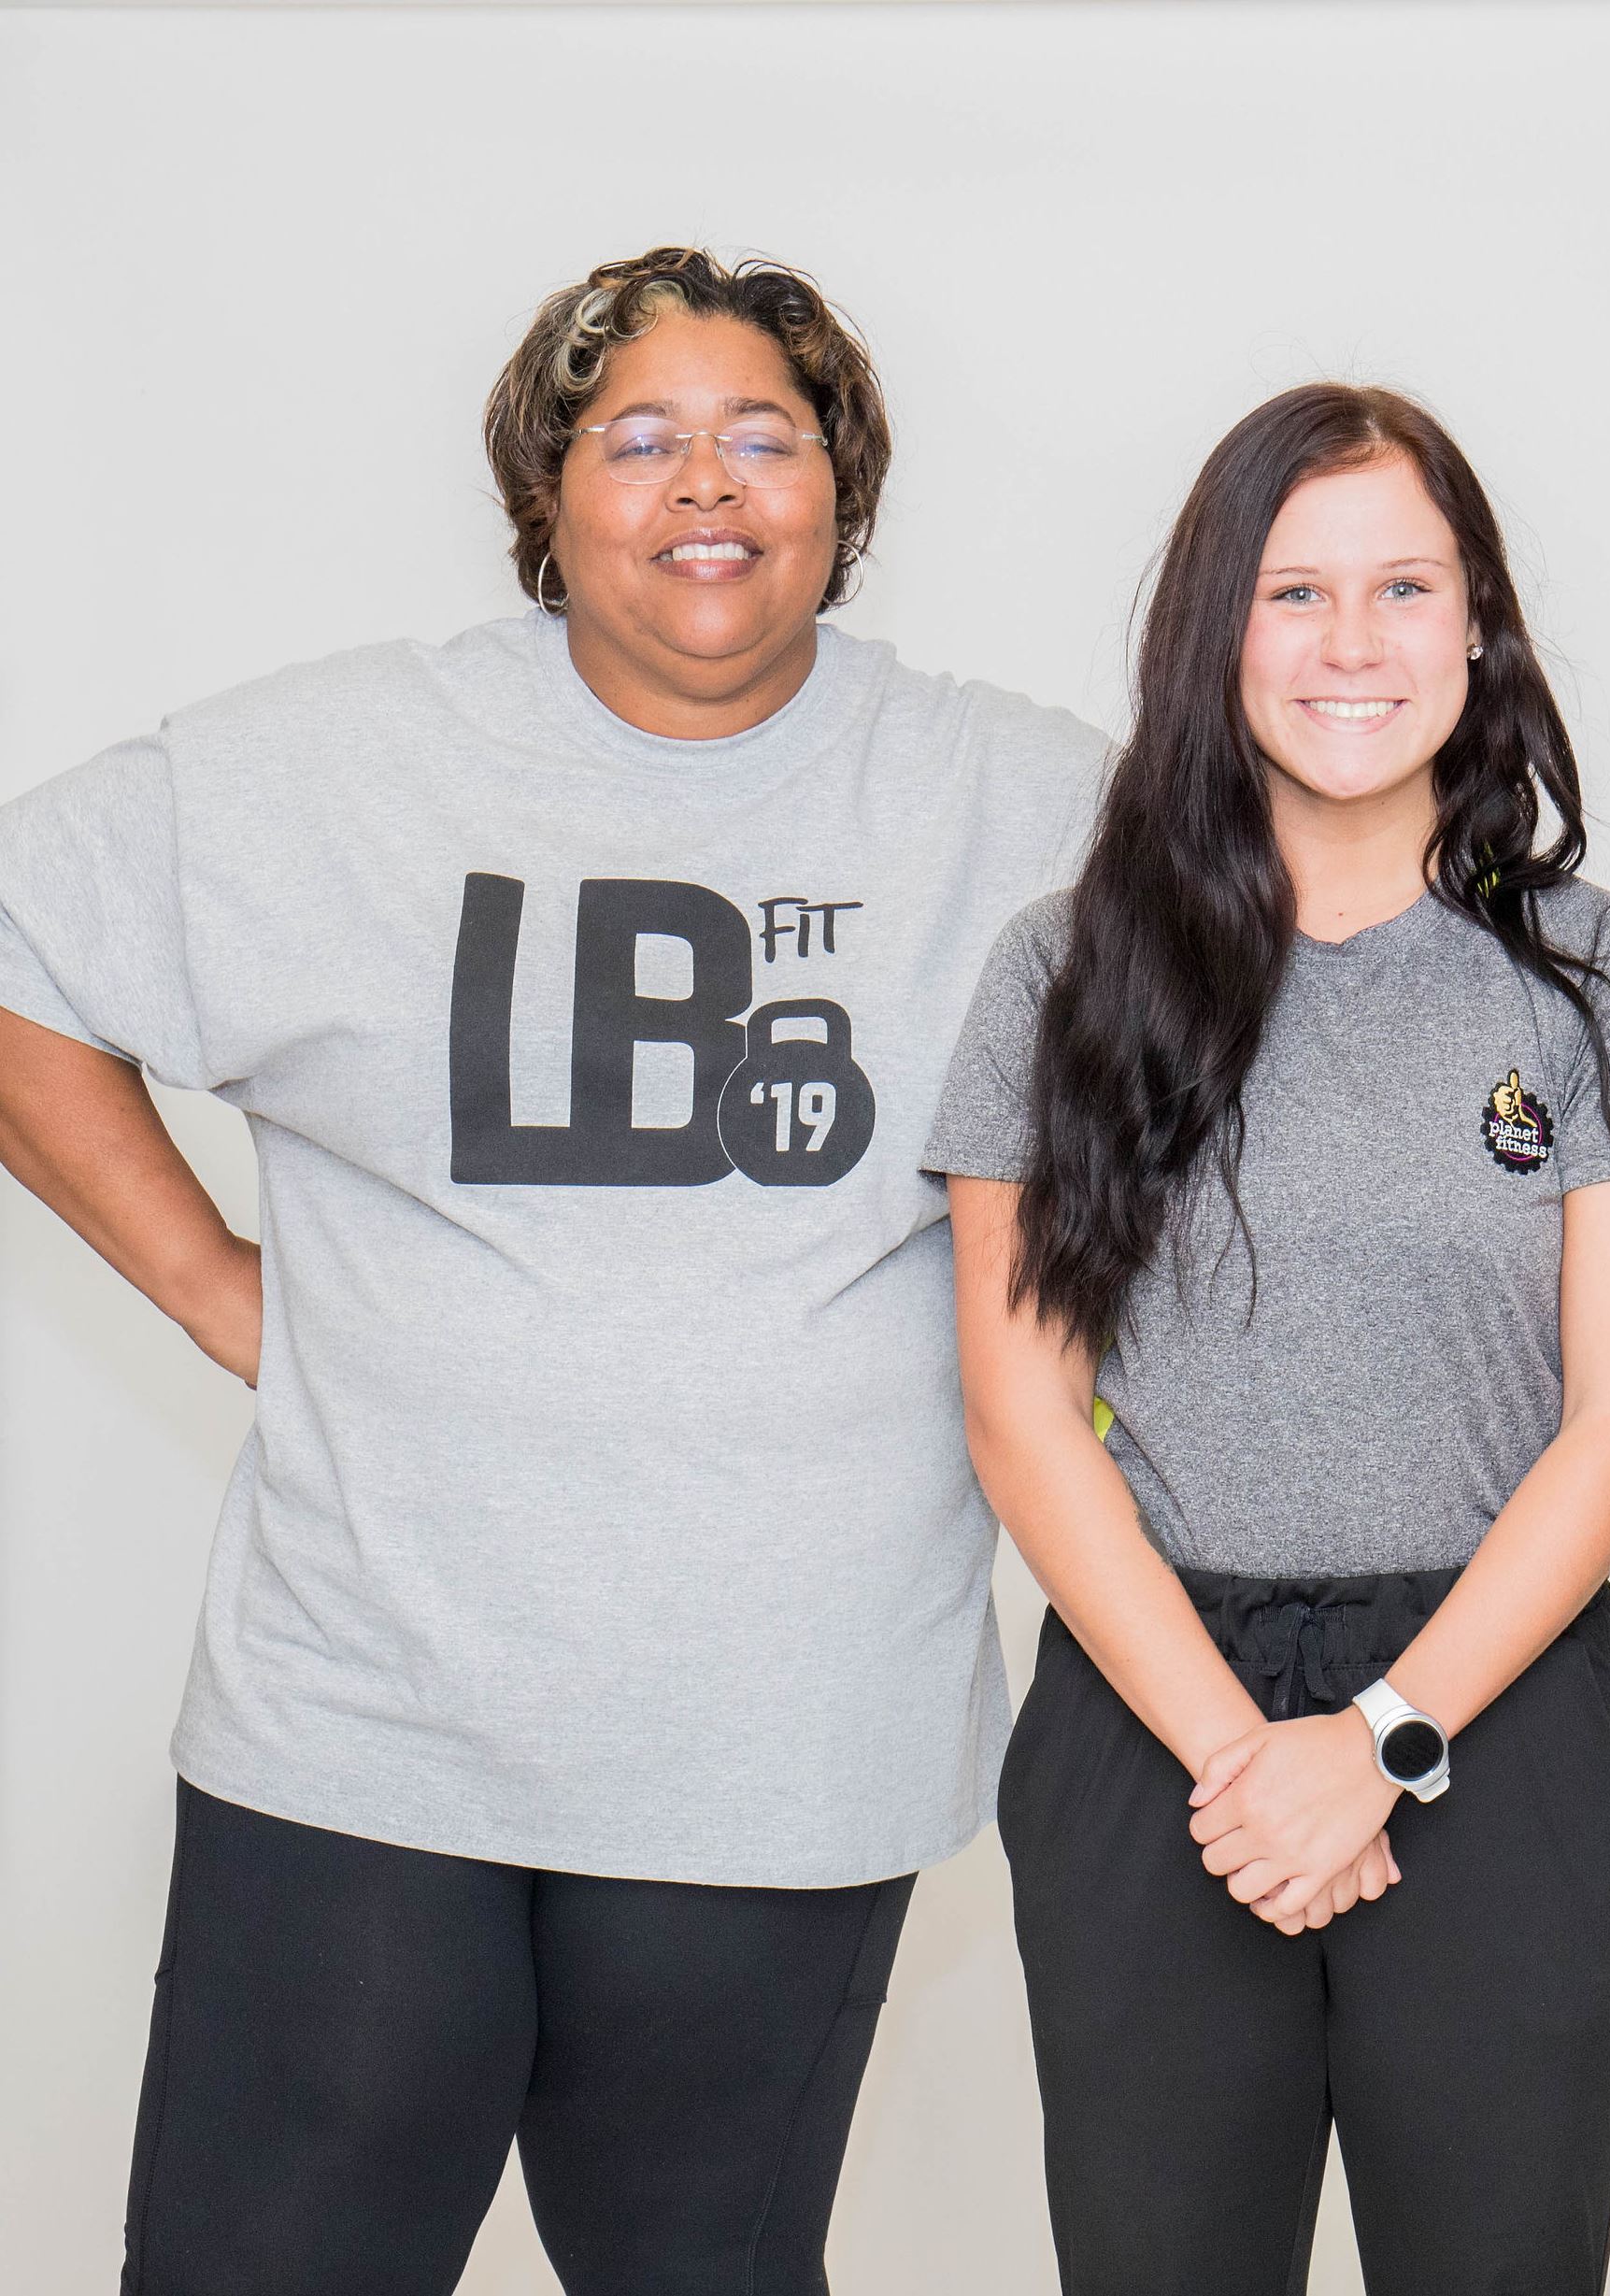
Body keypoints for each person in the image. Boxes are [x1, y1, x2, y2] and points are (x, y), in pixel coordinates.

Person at [0, 247, 1106, 2293]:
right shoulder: (342, 760)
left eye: (768, 437)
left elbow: (1277, 972)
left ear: (842, 497)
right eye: (645, 438)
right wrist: (216, 1284)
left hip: (784, 1738)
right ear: (550, 493)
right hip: (366, 1720)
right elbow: (20, 950)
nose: (711, 483)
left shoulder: (1017, 791)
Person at [932, 381, 1610, 2294]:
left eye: (1403, 587)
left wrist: (1378, 1738)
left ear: (1480, 627)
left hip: (1491, 1694)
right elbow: (1021, 1414)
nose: (1352, 645)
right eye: (1294, 593)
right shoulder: (1067, 971)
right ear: (1214, 635)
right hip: (1155, 1705)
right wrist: (1248, 1757)